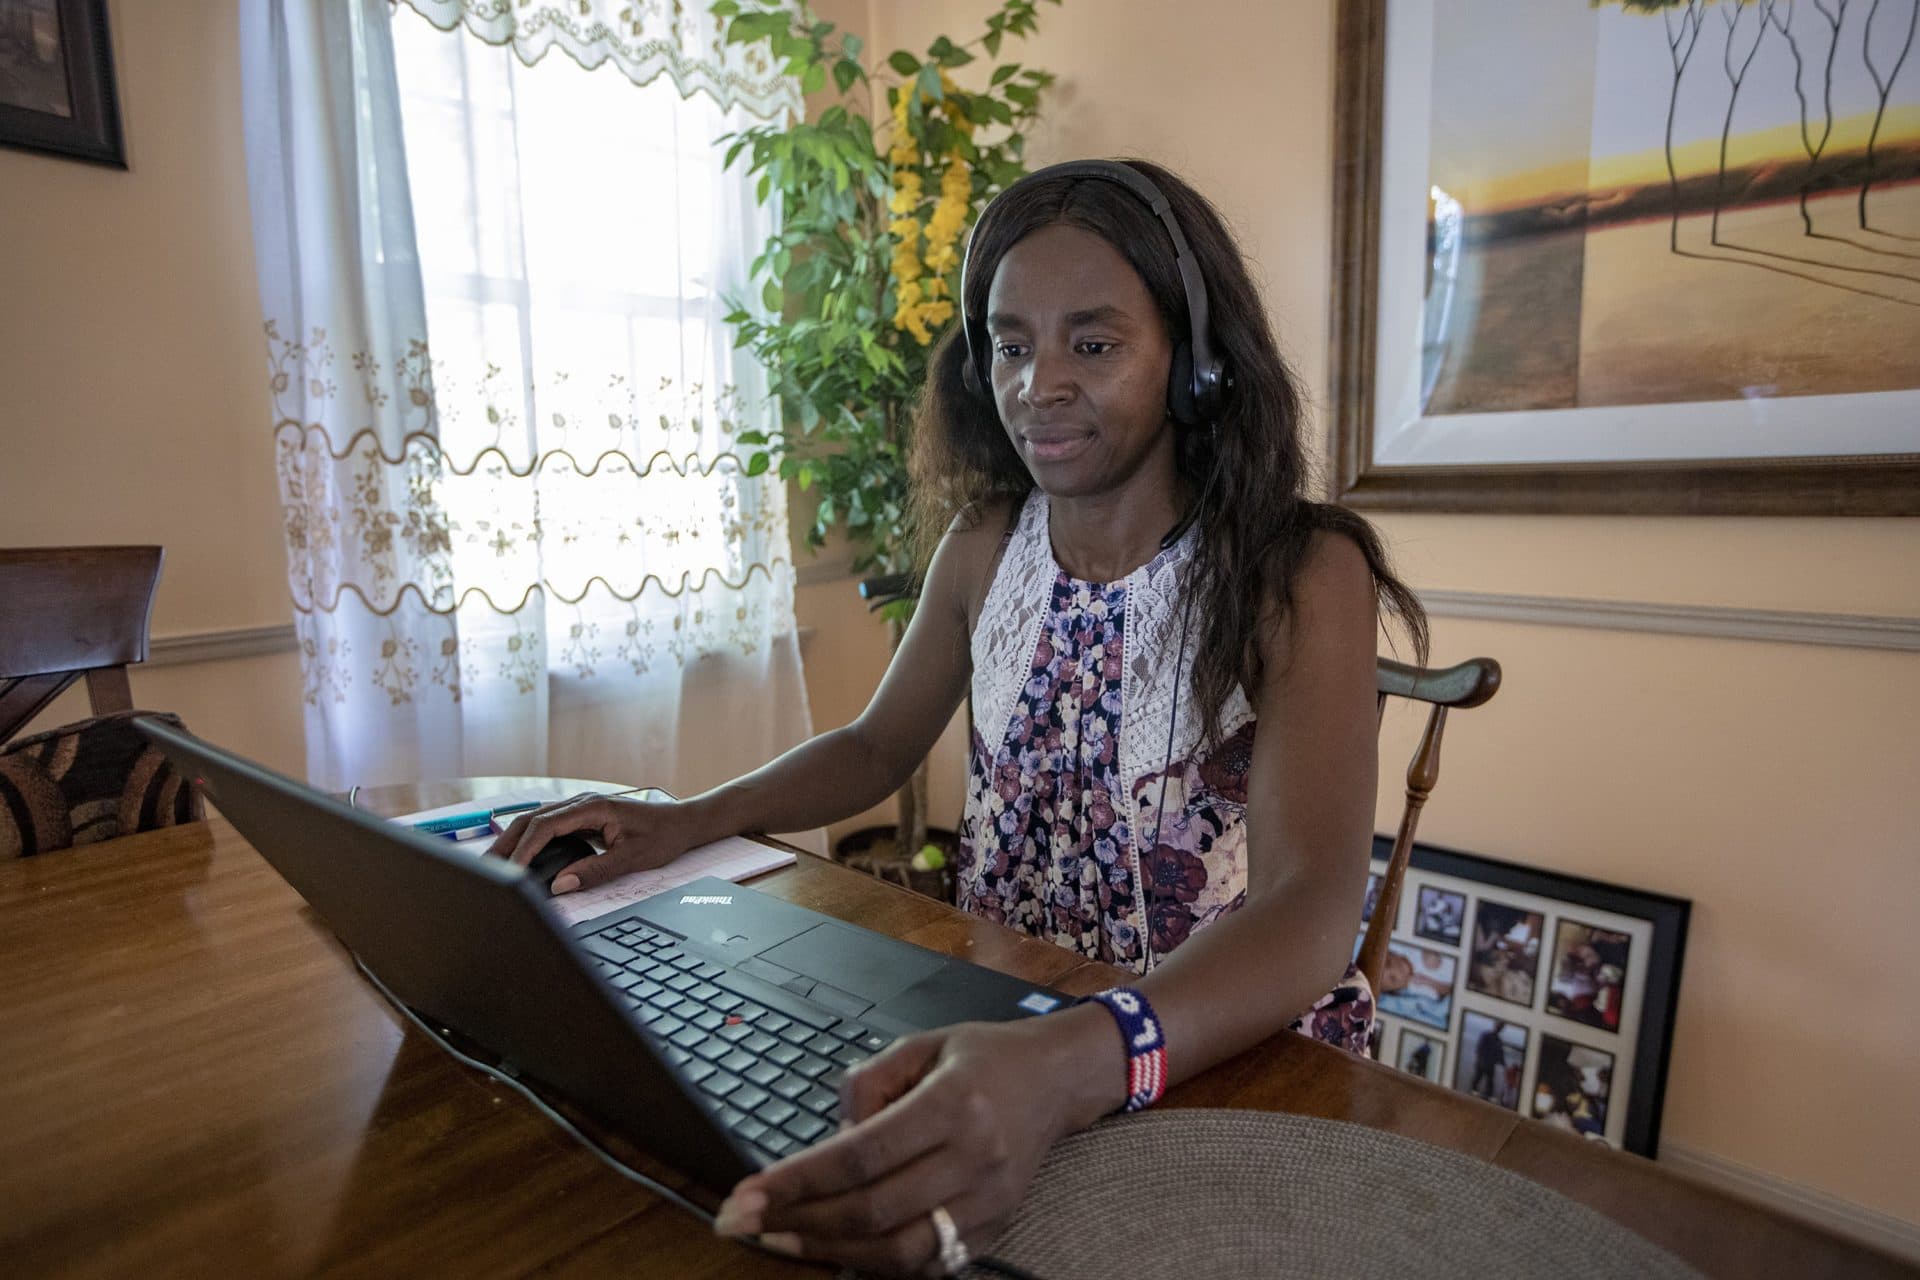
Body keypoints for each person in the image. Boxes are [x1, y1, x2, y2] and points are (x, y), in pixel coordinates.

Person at [491, 158, 1427, 1277]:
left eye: (1094, 341)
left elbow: (1309, 905)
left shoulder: (1302, 570)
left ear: (1197, 360)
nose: (1038, 382)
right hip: (1006, 1020)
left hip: (1217, 1056)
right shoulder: (986, 547)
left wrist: (1073, 1059)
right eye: (1011, 342)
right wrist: (690, 816)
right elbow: (877, 746)